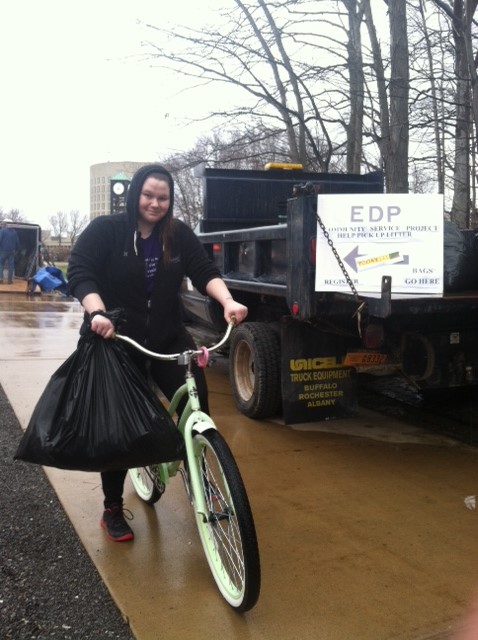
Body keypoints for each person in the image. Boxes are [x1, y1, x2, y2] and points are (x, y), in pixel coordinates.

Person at [67, 164, 248, 542]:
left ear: (170, 201)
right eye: (148, 195)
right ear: (135, 194)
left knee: (196, 409)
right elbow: (81, 271)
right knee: (118, 430)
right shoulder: (107, 230)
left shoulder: (177, 234)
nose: (154, 203)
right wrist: (97, 311)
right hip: (118, 338)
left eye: (162, 197)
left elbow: (204, 270)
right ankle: (113, 506)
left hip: (168, 337)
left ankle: (205, 479)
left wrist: (229, 301)